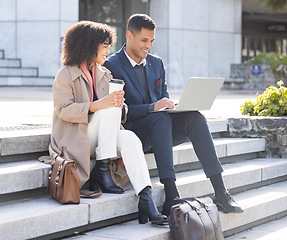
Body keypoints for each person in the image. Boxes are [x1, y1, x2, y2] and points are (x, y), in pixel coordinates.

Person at [104, 14, 243, 216]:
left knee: (195, 117)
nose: (148, 46)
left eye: (151, 41)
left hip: (160, 130)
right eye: (144, 40)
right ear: (129, 35)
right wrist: (153, 107)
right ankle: (171, 195)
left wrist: (175, 107)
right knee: (159, 117)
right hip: (134, 134)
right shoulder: (112, 66)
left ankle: (221, 192)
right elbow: (118, 111)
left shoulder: (156, 63)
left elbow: (164, 100)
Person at [49, 20, 167, 225]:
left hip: (102, 136)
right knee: (109, 107)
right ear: (88, 45)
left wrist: (121, 106)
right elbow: (63, 110)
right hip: (76, 136)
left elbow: (118, 112)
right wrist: (99, 105)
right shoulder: (65, 74)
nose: (108, 50)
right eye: (104, 45)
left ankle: (146, 199)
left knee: (130, 138)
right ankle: (102, 171)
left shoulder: (104, 73)